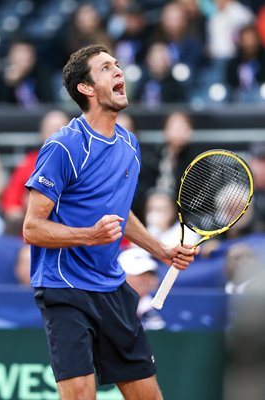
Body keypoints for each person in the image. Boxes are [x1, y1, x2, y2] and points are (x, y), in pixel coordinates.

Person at [23, 44, 199, 400]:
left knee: (148, 396)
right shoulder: (64, 146)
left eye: (117, 65)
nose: (119, 71)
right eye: (106, 68)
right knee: (80, 394)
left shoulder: (130, 145)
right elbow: (32, 227)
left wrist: (161, 249)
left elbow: (121, 212)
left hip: (112, 288)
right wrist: (89, 235)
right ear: (86, 88)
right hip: (65, 288)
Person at [1, 110, 70, 219]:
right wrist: (25, 210)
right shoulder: (28, 162)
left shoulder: (79, 163)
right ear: (42, 132)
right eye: (50, 129)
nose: (55, 134)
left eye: (60, 130)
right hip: (29, 229)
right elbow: (11, 205)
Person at [118, 247, 166, 330]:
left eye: (150, 274)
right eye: (138, 274)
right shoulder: (106, 305)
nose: (145, 280)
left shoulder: (158, 309)